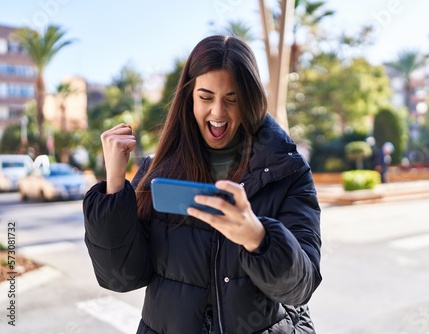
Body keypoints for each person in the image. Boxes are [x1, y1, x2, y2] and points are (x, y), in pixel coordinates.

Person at [83, 35, 322, 333]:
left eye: (232, 99)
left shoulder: (288, 172)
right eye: (206, 97)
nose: (218, 112)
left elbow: (301, 287)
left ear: (250, 99)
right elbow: (120, 277)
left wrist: (258, 238)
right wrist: (115, 184)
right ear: (189, 98)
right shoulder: (157, 171)